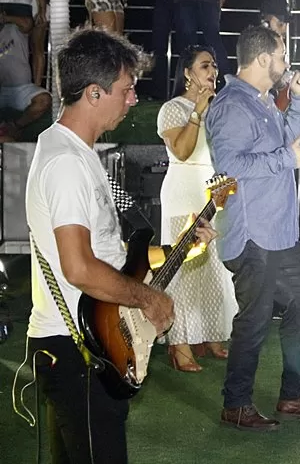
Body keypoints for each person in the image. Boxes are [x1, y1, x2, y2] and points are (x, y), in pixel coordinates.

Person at [25, 27, 216, 464]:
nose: (133, 100)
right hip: (78, 350)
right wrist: (149, 298)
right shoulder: (67, 164)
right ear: (94, 93)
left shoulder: (77, 153)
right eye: (126, 89)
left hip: (86, 346)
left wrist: (183, 246)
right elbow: (79, 268)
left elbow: (114, 259)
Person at [205, 24, 300, 431]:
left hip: (277, 234)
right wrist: (285, 160)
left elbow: (294, 142)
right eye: (282, 57)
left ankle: (294, 394)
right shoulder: (232, 106)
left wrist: (299, 100)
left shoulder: (264, 102)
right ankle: (236, 405)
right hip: (253, 235)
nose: (286, 63)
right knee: (255, 320)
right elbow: (229, 167)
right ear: (263, 59)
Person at [157, 45, 237, 371]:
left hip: (212, 191)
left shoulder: (218, 109)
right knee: (184, 267)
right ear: (188, 73)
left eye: (214, 65)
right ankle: (179, 345)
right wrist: (197, 110)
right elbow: (182, 151)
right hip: (182, 191)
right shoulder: (172, 108)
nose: (213, 71)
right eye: (205, 65)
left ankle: (213, 335)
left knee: (215, 267)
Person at [0, 0, 53, 140]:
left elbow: (27, 24)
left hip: (22, 88)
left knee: (44, 100)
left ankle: (15, 126)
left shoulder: (19, 26)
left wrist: (5, 18)